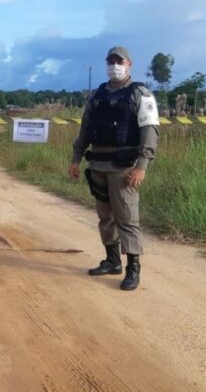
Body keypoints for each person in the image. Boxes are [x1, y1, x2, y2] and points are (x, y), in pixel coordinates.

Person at [69, 46, 160, 291]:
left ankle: (133, 268)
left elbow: (149, 133)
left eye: (119, 61)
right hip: (97, 163)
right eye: (110, 61)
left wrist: (141, 166)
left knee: (127, 219)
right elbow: (85, 129)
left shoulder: (141, 94)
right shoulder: (97, 95)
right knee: (105, 217)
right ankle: (111, 261)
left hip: (124, 168)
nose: (114, 65)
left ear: (129, 63)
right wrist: (76, 158)